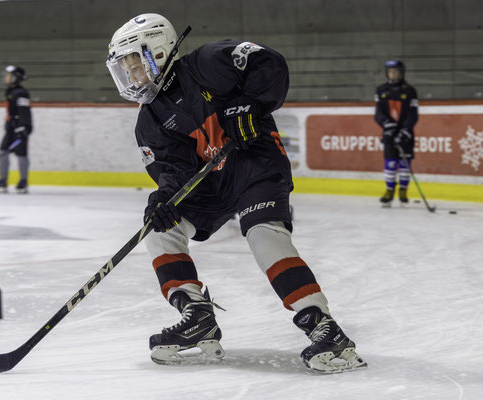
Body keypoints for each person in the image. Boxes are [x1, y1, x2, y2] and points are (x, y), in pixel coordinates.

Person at [106, 13, 366, 373]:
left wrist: (250, 104)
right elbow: (174, 169)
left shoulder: (207, 63)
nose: (133, 77)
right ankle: (196, 316)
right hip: (210, 182)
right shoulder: (149, 119)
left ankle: (322, 324)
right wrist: (164, 197)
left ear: (159, 52)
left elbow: (268, 64)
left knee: (262, 234)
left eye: (136, 66)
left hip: (254, 162)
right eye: (127, 70)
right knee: (160, 226)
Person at [374, 60, 418, 207]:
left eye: (396, 71)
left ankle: (403, 191)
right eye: (391, 71)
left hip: (406, 134)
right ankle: (389, 191)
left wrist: (405, 130)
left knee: (405, 163)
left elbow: (413, 114)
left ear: (402, 73)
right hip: (389, 133)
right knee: (390, 163)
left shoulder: (409, 91)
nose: (393, 74)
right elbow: (378, 112)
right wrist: (387, 124)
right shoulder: (381, 90)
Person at [0, 65, 33, 194]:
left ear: (16, 78)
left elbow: (24, 112)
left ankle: (23, 182)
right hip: (10, 129)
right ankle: (3, 180)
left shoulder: (21, 93)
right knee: (2, 152)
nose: (6, 78)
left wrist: (23, 128)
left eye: (9, 76)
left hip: (20, 128)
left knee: (21, 155)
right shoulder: (10, 91)